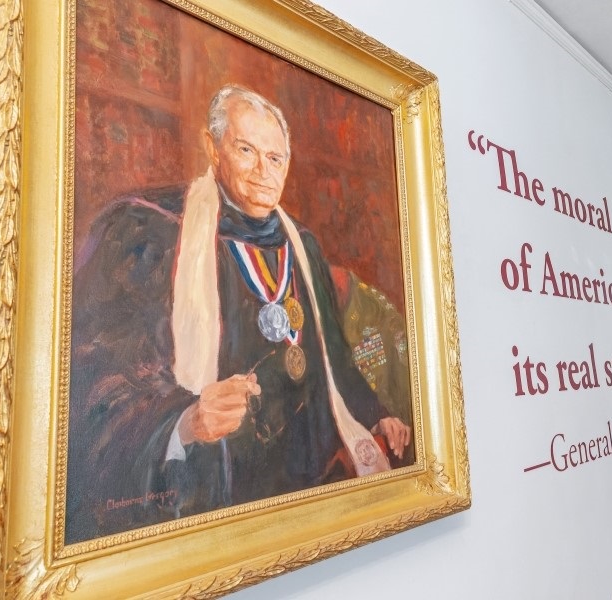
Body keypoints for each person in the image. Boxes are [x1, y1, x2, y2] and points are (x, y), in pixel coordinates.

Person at [65, 84, 412, 543]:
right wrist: (183, 420)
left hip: (308, 488)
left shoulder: (301, 245)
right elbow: (98, 382)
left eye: (276, 158)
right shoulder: (144, 231)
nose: (263, 172)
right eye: (246, 150)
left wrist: (375, 412)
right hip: (217, 499)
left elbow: (335, 358)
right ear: (212, 147)